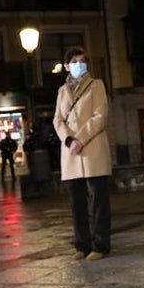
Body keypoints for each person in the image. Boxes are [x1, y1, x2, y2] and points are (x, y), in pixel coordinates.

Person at [53, 46, 112, 261]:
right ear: (67, 66)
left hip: (92, 148)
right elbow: (57, 120)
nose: (80, 64)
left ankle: (101, 244)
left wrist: (80, 138)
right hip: (70, 152)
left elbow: (100, 115)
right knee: (76, 203)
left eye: (83, 60)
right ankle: (82, 244)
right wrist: (69, 139)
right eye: (75, 61)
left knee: (98, 202)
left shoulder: (96, 85)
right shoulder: (61, 91)